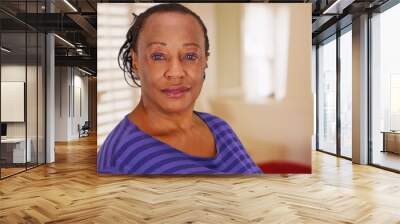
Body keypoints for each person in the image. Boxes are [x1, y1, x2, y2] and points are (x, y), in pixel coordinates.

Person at [97, 3, 262, 174]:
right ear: (136, 61)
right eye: (158, 56)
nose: (175, 73)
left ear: (205, 61)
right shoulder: (120, 158)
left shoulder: (220, 128)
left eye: (190, 56)